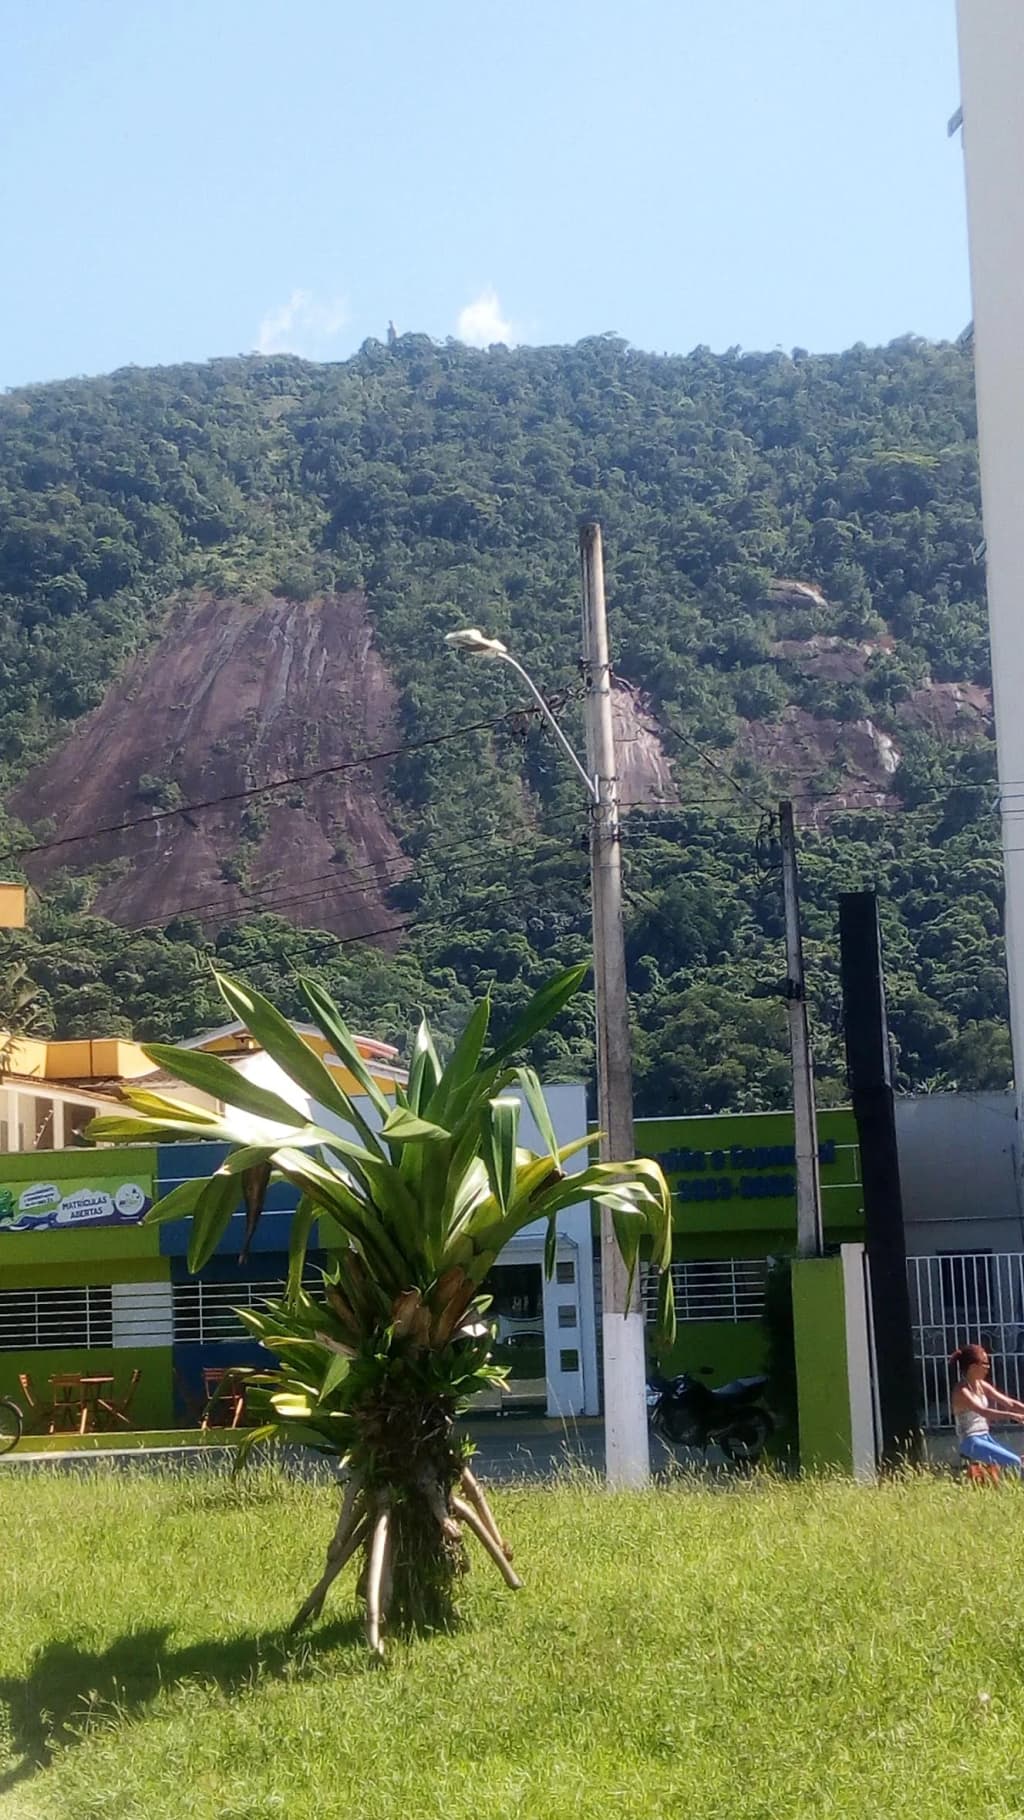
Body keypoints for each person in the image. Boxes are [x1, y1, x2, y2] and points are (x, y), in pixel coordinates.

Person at [950, 1343, 1024, 1474]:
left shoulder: (981, 1385)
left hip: (985, 1437)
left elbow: (1009, 1403)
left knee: (1018, 1460)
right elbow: (983, 1412)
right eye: (985, 1364)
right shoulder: (961, 1391)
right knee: (1014, 1462)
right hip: (971, 1442)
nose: (988, 1368)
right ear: (973, 1367)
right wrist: (1013, 1416)